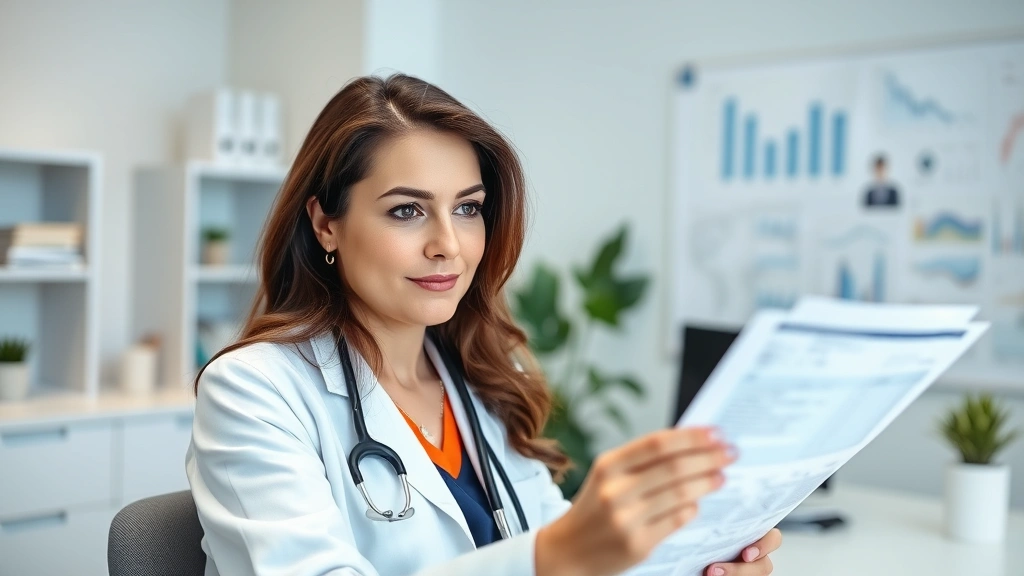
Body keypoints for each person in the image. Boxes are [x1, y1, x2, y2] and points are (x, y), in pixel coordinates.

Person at [185, 73, 782, 576]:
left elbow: (564, 548)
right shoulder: (254, 391)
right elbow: (555, 555)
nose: (448, 245)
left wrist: (690, 563)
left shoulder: (484, 374)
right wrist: (558, 555)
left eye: (468, 208)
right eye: (407, 211)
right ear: (325, 224)